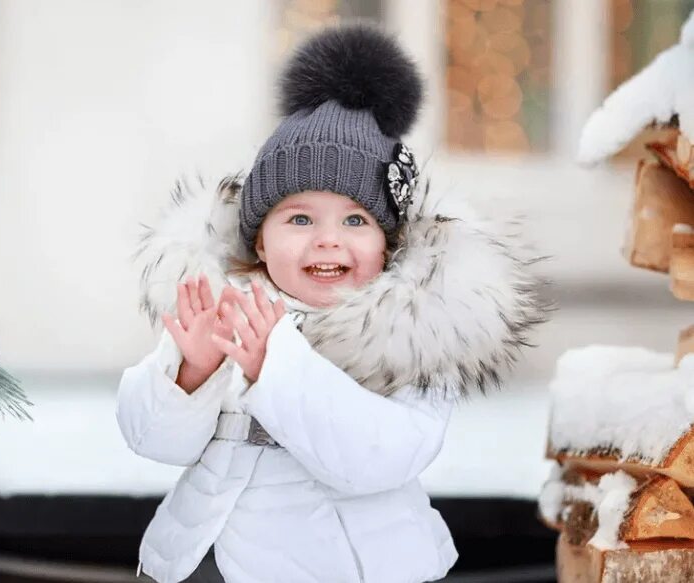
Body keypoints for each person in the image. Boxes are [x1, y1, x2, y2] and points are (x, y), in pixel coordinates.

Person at [116, 24, 549, 583]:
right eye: (299, 219)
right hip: (202, 561)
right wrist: (190, 373)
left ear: (387, 243)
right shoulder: (228, 308)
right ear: (260, 241)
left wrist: (275, 367)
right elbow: (154, 442)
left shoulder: (411, 335)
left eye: (355, 220)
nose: (327, 239)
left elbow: (379, 457)